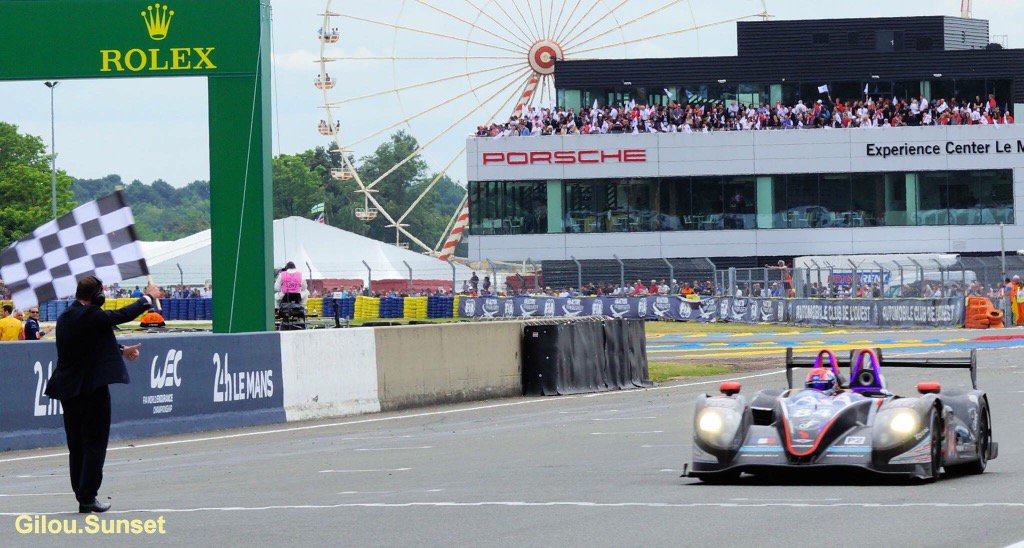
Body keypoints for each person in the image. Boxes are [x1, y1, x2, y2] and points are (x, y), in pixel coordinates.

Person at [44, 276, 159, 513]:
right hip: (91, 388)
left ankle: (82, 494)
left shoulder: (66, 316)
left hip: (69, 389)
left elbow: (89, 341)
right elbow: (121, 315)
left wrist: (121, 349)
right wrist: (147, 298)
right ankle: (88, 496)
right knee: (95, 442)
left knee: (76, 444)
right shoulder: (92, 314)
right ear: (97, 296)